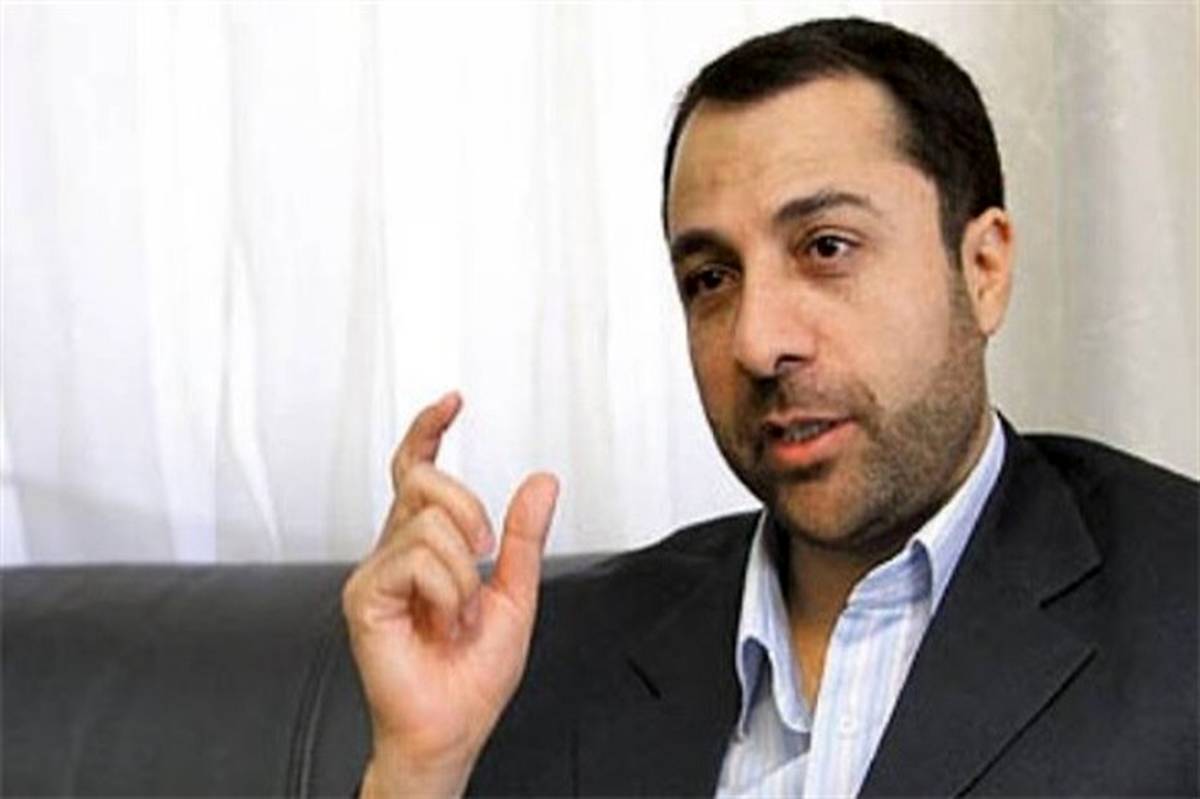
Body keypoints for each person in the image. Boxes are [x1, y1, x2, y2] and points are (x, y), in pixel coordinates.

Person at [341, 17, 1198, 797]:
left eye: (827, 247)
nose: (756, 341)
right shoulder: (543, 655)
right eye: (710, 278)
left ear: (983, 270)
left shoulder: (1178, 603)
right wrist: (418, 770)